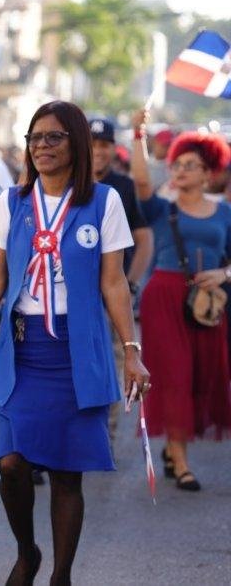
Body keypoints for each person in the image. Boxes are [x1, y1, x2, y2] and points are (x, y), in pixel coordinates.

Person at [0, 100, 148, 585]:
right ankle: (28, 552)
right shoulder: (14, 201)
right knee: (11, 463)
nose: (41, 146)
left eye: (53, 138)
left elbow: (113, 283)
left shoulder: (103, 203)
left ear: (77, 144)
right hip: (24, 352)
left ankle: (61, 575)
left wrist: (131, 351)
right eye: (34, 138)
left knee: (66, 472)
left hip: (77, 351)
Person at [132, 125, 231, 492]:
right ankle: (183, 462)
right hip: (164, 297)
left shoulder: (225, 214)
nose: (181, 171)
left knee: (200, 376)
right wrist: (138, 136)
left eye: (191, 165)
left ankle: (174, 452)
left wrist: (224, 272)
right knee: (175, 375)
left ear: (209, 173)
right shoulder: (161, 209)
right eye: (177, 165)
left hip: (208, 303)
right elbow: (141, 182)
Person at [90, 116, 154, 442]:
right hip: (73, 296)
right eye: (92, 145)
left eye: (104, 145)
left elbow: (144, 238)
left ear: (113, 149)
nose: (98, 152)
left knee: (114, 366)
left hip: (112, 296)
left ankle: (105, 436)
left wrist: (131, 281)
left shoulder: (123, 186)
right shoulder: (64, 183)